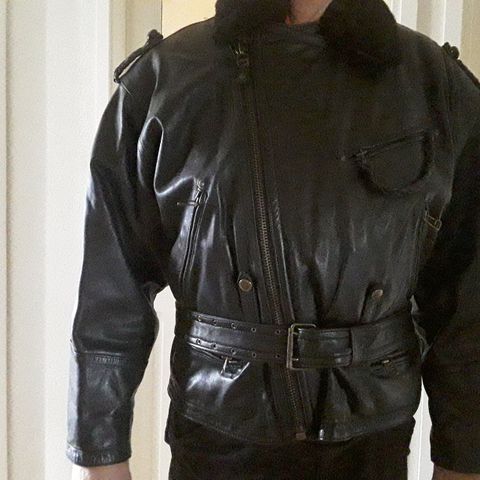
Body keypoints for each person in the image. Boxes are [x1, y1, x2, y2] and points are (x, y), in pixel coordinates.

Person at [67, 0, 480, 479]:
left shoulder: (436, 85)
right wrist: (102, 458)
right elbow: (111, 296)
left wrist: (463, 460)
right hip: (216, 442)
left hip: (371, 447)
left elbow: (467, 306)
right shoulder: (162, 82)